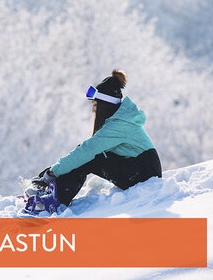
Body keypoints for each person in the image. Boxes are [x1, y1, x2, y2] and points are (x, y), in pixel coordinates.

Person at [25, 69, 162, 213]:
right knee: (87, 155)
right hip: (140, 170)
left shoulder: (119, 125)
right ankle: (53, 191)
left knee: (90, 157)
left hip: (144, 174)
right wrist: (53, 172)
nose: (93, 110)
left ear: (105, 105)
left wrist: (53, 172)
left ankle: (55, 201)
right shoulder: (119, 120)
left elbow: (87, 151)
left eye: (95, 105)